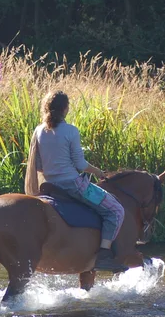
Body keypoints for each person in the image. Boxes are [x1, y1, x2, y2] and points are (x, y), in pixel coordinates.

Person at [24, 90, 125, 272]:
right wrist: (99, 172)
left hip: (49, 186)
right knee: (116, 210)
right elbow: (79, 164)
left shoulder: (39, 131)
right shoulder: (71, 131)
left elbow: (38, 165)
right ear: (65, 109)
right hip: (73, 185)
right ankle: (103, 253)